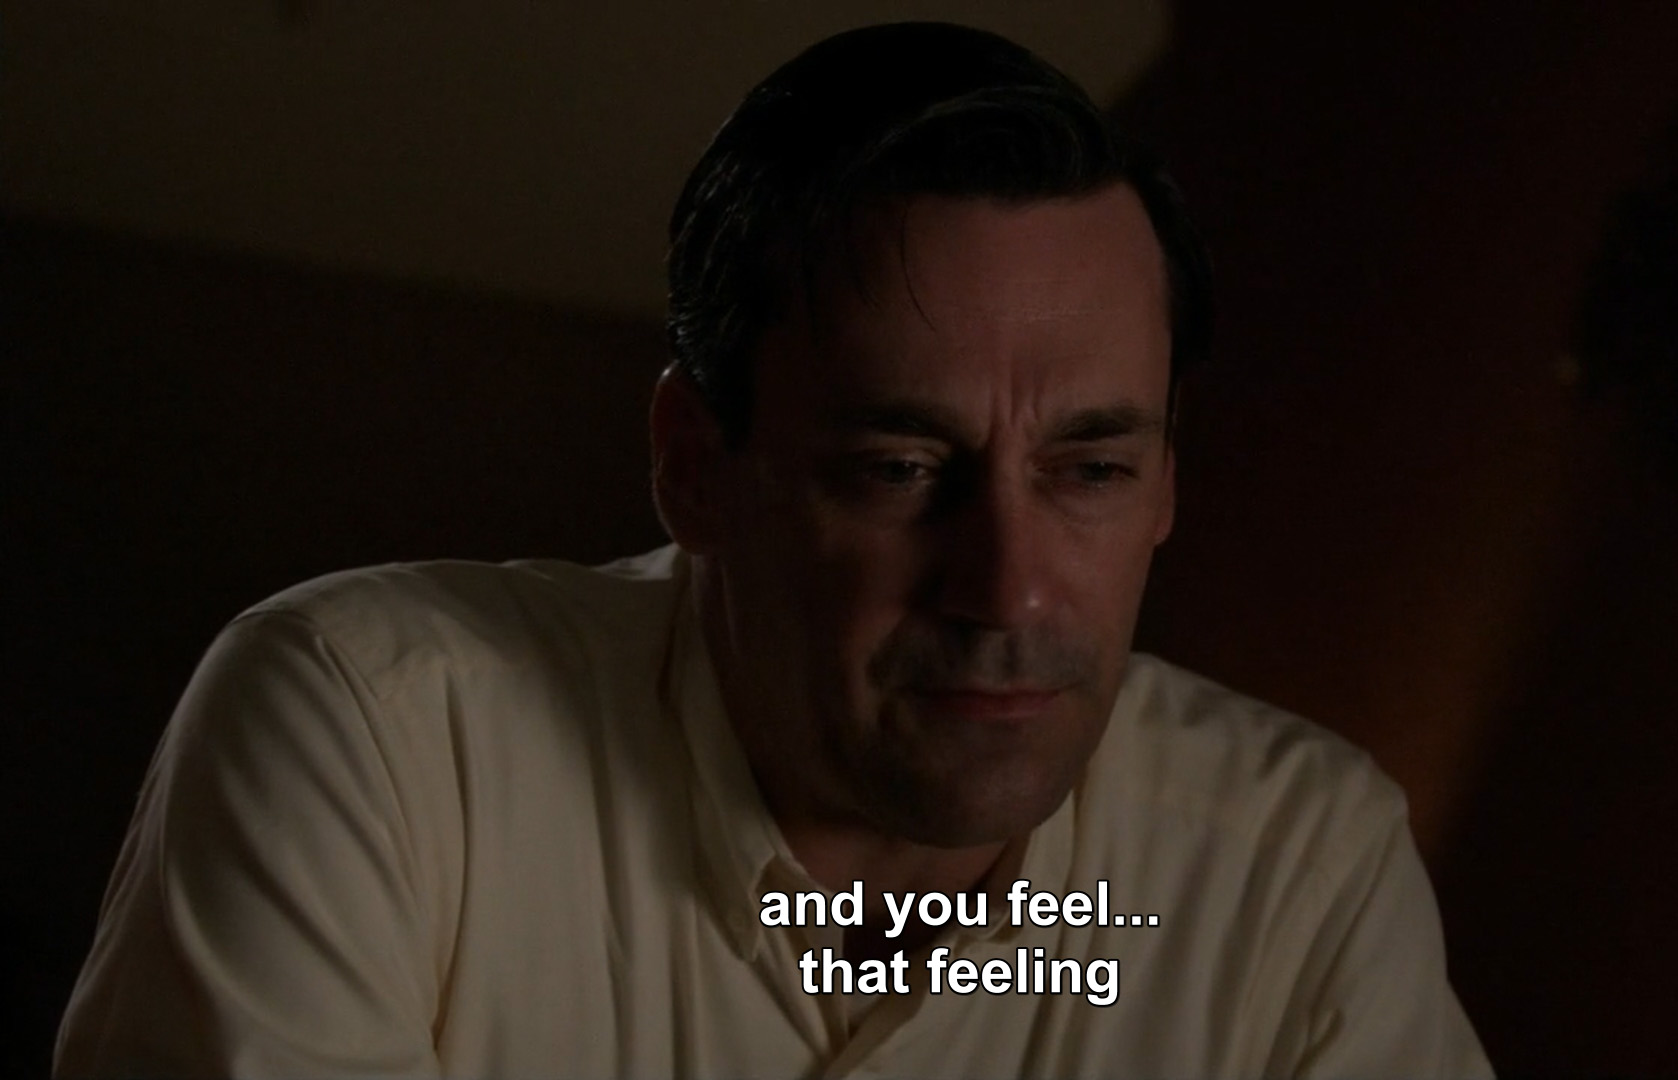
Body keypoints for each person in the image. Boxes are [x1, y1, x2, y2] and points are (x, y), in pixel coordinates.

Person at [55, 22, 1491, 1079]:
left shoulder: (1299, 874)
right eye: (900, 470)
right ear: (693, 468)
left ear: (1168, 482)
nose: (1008, 587)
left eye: (1092, 470)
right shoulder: (378, 741)